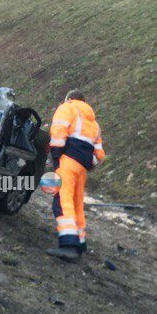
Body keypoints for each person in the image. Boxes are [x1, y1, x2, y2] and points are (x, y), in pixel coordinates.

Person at [47, 89, 105, 260]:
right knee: (77, 203)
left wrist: (57, 158)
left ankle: (68, 246)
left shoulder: (68, 107)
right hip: (82, 168)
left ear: (69, 98)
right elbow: (100, 155)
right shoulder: (94, 124)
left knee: (63, 202)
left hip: (67, 161)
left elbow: (58, 133)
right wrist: (87, 165)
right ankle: (80, 243)